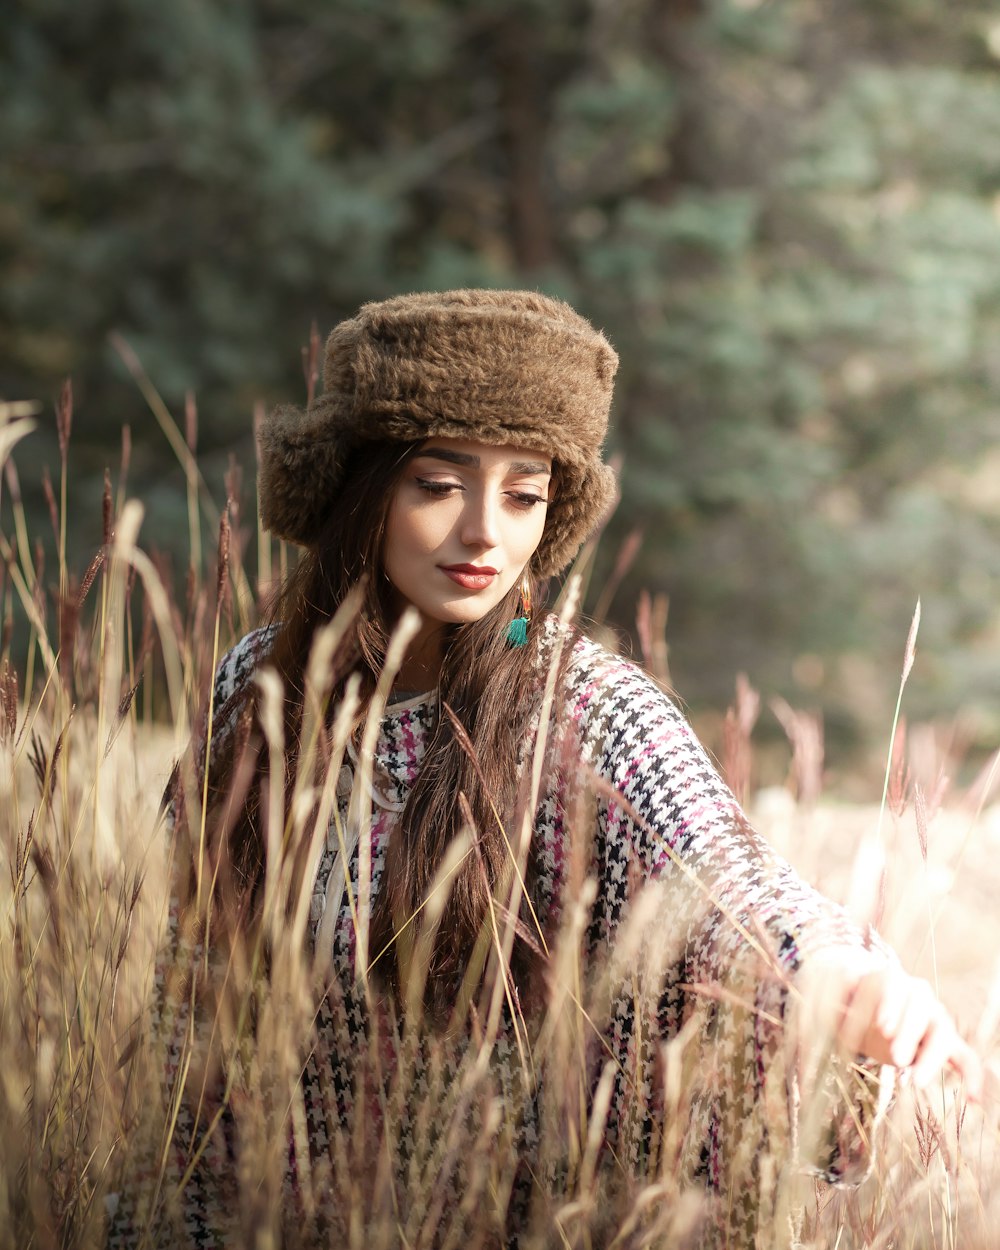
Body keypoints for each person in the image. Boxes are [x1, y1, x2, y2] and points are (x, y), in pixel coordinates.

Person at [114, 289, 981, 1249]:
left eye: (524, 494)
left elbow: (724, 878)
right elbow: (193, 997)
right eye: (439, 485)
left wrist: (833, 974)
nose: (486, 530)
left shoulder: (583, 706)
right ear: (361, 491)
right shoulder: (261, 680)